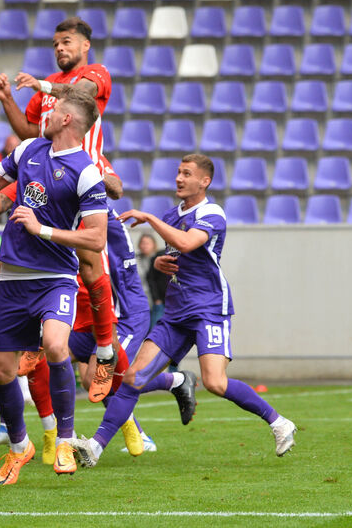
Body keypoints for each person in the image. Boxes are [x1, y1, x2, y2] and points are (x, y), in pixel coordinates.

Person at [72, 154, 298, 469]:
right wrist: (163, 263)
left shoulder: (212, 212)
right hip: (176, 313)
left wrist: (150, 220)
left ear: (204, 181)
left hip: (208, 309)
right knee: (134, 377)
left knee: (216, 383)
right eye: (178, 172)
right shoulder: (172, 214)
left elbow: (188, 243)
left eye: (187, 173)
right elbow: (176, 255)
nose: (179, 178)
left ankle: (278, 422)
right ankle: (94, 448)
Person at [0, 87, 108, 485]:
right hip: (13, 279)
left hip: (55, 279)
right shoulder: (28, 149)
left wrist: (42, 230)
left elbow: (97, 238)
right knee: (2, 372)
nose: (44, 115)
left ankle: (65, 440)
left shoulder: (86, 171)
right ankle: (20, 448)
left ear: (67, 119)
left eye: (52, 110)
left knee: (54, 345)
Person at [0, 16, 122, 401]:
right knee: (21, 232)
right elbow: (29, 132)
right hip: (50, 178)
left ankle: (105, 352)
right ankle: (36, 343)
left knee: (89, 262)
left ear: (84, 45)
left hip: (85, 175)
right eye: (55, 44)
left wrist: (42, 84)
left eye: (66, 42)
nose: (60, 49)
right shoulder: (46, 93)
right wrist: (8, 100)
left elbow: (79, 94)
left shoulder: (94, 74)